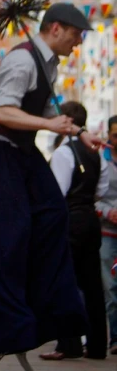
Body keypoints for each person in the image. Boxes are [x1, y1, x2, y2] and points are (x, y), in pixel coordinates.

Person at [0, 2, 101, 361]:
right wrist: (49, 127)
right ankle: (2, 329)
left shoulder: (49, 65)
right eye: (76, 35)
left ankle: (48, 314)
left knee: (54, 214)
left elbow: (46, 113)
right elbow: (3, 112)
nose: (78, 42)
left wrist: (80, 132)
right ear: (56, 29)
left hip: (23, 154)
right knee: (8, 235)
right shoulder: (22, 60)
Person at [40, 101, 108, 360]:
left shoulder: (63, 153)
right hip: (91, 219)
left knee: (64, 281)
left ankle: (67, 345)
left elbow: (57, 192)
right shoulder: (96, 151)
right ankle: (98, 345)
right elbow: (101, 190)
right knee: (92, 285)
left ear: (66, 122)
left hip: (69, 221)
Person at [97, 114, 117, 355]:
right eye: (115, 135)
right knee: (110, 288)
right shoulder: (100, 160)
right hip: (106, 233)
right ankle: (114, 339)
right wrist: (107, 211)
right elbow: (92, 197)